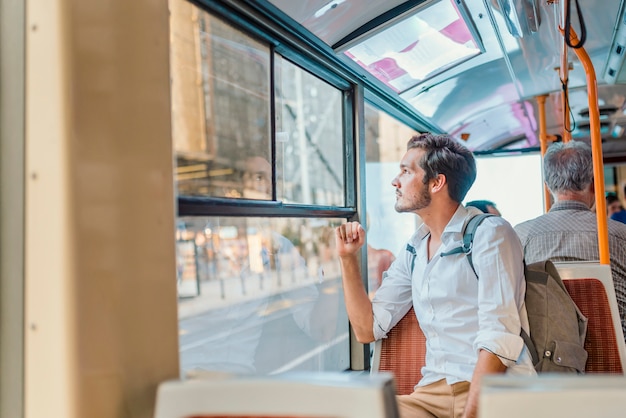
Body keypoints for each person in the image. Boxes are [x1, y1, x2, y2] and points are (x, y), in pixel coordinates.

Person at [335, 133, 535, 418]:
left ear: (437, 182)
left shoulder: (490, 234)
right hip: (430, 395)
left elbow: (497, 337)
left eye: (406, 171)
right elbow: (367, 329)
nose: (395, 181)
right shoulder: (415, 250)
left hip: (493, 392)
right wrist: (348, 259)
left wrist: (471, 413)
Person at [515, 140, 626, 341]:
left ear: (548, 187)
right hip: (617, 358)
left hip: (547, 362)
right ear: (593, 182)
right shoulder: (620, 235)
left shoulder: (521, 236)